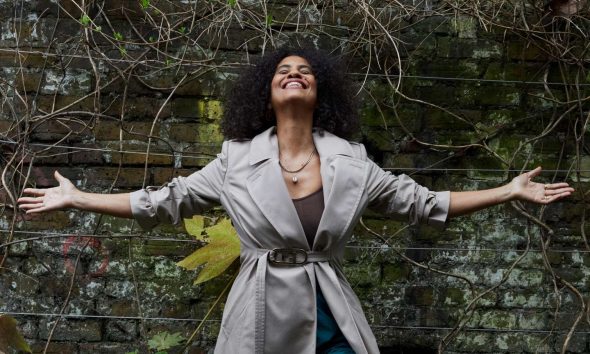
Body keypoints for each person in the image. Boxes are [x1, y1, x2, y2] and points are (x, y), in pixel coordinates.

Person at [18, 48, 574, 354]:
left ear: (318, 92)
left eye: (304, 72)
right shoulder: (235, 159)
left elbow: (428, 203)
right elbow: (160, 202)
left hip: (328, 308)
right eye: (283, 71)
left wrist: (509, 189)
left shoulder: (353, 162)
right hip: (258, 312)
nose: (294, 74)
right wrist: (77, 198)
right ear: (266, 92)